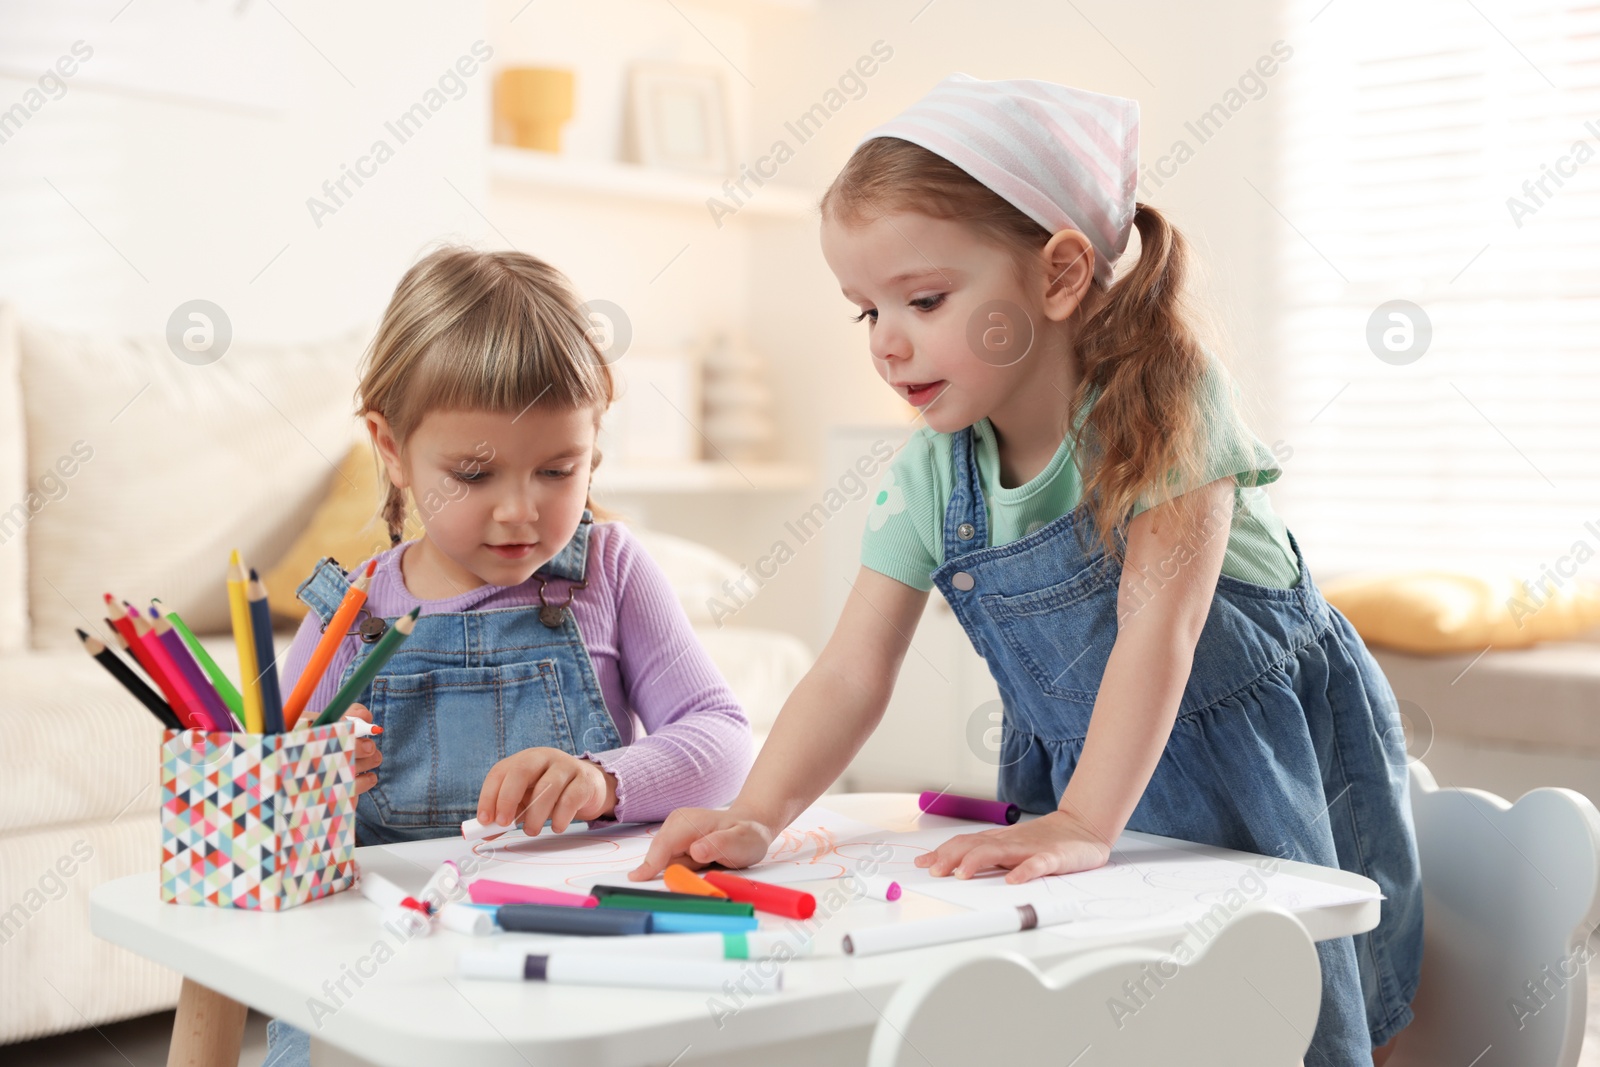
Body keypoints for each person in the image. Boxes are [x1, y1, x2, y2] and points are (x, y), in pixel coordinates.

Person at [632, 75, 1420, 1066]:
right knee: (1116, 1023)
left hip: (1255, 762)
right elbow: (848, 670)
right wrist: (756, 812)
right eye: (863, 310)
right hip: (1080, 784)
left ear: (1056, 275)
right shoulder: (931, 472)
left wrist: (1087, 819)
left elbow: (1159, 631)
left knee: (1288, 1014)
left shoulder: (1168, 406)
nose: (887, 340)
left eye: (922, 298)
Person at [263, 245, 753, 1065]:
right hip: (373, 975)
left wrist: (604, 780)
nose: (519, 511)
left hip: (563, 964)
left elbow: (726, 742)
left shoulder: (610, 571)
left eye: (558, 469)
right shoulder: (349, 611)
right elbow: (259, 800)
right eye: (475, 474)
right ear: (390, 446)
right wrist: (302, 770)